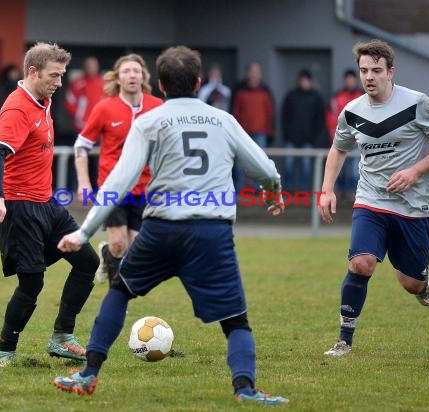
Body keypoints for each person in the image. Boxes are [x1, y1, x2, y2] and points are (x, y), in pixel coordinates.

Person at [52, 46, 289, 406]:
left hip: (162, 230)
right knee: (236, 321)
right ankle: (245, 389)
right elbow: (265, 170)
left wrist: (84, 232)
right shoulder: (222, 120)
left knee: (119, 291)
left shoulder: (149, 121)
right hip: (213, 233)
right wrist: (273, 192)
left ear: (160, 84)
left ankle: (88, 375)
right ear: (198, 82)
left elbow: (118, 183)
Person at [319, 39, 429, 357]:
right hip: (371, 200)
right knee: (361, 263)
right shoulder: (352, 111)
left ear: (390, 72)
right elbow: (339, 148)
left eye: (376, 70)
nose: (369, 76)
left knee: (410, 283)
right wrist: (326, 189)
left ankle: (422, 284)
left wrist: (415, 170)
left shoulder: (416, 103)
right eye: (364, 70)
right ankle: (344, 340)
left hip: (415, 204)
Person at [0, 42, 100, 367]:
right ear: (32, 72)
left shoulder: (43, 100)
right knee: (32, 282)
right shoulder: (18, 107)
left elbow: (19, 155)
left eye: (62, 75)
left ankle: (62, 336)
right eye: (54, 75)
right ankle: (6, 351)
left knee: (88, 261)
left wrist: (0, 180)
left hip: (47, 205)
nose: (60, 82)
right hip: (21, 209)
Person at [74, 54, 162, 285]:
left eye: (136, 71)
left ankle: (107, 256)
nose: (132, 75)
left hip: (144, 188)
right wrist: (84, 183)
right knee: (119, 243)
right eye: (126, 71)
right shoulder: (105, 108)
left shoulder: (157, 107)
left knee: (134, 247)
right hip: (112, 186)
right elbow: (82, 146)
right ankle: (116, 293)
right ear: (117, 78)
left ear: (143, 76)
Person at [231, 62, 275, 191]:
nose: (255, 74)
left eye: (257, 71)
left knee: (259, 161)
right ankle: (240, 188)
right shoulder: (239, 89)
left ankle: (258, 189)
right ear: (248, 73)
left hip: (260, 132)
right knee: (240, 162)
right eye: (252, 71)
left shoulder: (265, 90)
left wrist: (270, 131)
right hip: (242, 132)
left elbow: (270, 112)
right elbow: (234, 111)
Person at [281, 69, 327, 192]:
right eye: (302, 80)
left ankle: (303, 191)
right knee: (288, 165)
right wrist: (287, 134)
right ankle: (288, 190)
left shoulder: (317, 97)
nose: (304, 83)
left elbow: (321, 120)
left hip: (308, 139)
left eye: (306, 80)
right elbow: (284, 116)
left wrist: (313, 137)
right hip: (291, 138)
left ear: (311, 82)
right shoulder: (291, 96)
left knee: (306, 166)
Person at [327, 69, 364, 198]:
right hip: (341, 139)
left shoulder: (363, 96)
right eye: (347, 79)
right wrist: (333, 134)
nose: (350, 82)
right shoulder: (337, 96)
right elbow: (332, 117)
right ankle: (340, 193)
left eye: (352, 79)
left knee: (355, 170)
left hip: (358, 140)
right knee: (340, 169)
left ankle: (354, 194)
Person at [64, 56, 105, 134]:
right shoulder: (77, 83)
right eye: (89, 66)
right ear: (84, 67)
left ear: (97, 67)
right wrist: (80, 117)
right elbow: (69, 102)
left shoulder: (104, 84)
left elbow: (110, 103)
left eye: (93, 66)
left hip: (100, 126)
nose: (91, 68)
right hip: (81, 127)